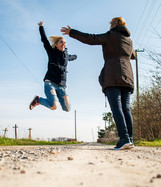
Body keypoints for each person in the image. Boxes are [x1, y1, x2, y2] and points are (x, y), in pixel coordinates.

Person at [61, 17, 136, 150]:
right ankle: (129, 139)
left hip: (113, 75)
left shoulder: (111, 35)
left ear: (113, 26)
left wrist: (72, 32)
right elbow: (133, 55)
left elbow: (91, 38)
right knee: (126, 108)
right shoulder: (129, 40)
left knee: (117, 107)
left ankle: (124, 139)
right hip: (128, 75)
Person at [29, 21, 77, 112]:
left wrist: (76, 56)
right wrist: (41, 27)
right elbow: (44, 40)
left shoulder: (66, 56)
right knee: (53, 106)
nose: (64, 44)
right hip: (50, 82)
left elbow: (73, 57)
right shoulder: (51, 52)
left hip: (62, 86)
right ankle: (38, 100)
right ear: (56, 44)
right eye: (61, 42)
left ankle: (49, 98)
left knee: (67, 108)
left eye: (65, 43)